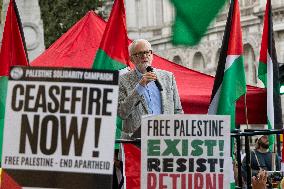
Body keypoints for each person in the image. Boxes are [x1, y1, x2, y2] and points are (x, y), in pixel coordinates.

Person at [118, 39, 183, 139]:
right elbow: (122, 113)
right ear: (132, 59)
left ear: (152, 54)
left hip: (166, 139)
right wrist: (140, 86)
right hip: (137, 143)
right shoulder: (122, 80)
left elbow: (178, 110)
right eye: (139, 54)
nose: (144, 56)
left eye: (147, 52)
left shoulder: (168, 77)